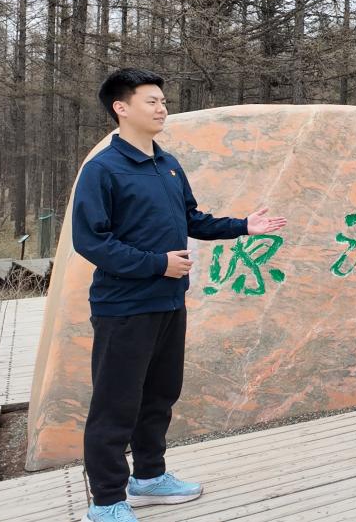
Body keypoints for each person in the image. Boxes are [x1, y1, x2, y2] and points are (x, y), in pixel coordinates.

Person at [73, 68, 287, 522]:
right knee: (115, 405)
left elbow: (193, 219)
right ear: (121, 107)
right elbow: (91, 241)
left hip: (169, 301)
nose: (162, 108)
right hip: (124, 308)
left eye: (163, 101)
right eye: (151, 101)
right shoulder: (103, 170)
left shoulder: (167, 164)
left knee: (159, 396)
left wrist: (243, 226)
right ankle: (107, 501)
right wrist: (157, 264)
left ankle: (149, 478)